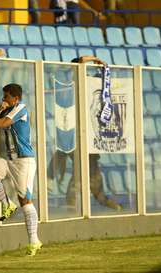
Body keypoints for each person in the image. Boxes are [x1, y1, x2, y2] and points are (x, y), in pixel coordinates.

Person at [47, 56, 122, 212]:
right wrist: (96, 59)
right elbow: (78, 61)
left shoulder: (94, 89)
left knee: (93, 179)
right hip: (78, 137)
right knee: (80, 173)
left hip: (90, 139)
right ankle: (69, 203)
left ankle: (105, 202)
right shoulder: (77, 84)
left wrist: (103, 67)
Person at [0, 83, 42, 256]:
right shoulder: (7, 109)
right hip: (9, 160)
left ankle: (34, 241)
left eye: (6, 97)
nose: (3, 99)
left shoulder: (20, 108)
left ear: (16, 98)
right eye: (3, 96)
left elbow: (1, 124)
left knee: (25, 201)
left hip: (23, 161)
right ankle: (7, 204)